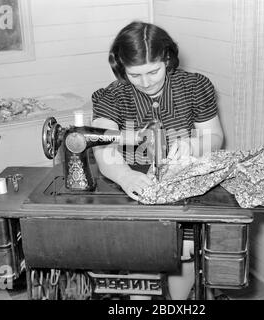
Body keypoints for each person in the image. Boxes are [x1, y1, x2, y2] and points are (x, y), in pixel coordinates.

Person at [91, 21, 224, 300]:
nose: (146, 82)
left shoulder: (196, 86)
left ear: (167, 59)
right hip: (133, 184)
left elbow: (214, 137)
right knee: (142, 257)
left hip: (184, 184)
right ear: (120, 68)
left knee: (186, 255)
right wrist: (126, 176)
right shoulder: (111, 97)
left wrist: (193, 144)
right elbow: (104, 149)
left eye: (153, 71)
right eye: (135, 75)